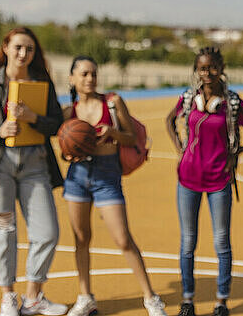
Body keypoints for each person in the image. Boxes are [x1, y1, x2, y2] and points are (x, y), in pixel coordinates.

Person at [0, 27, 67, 316]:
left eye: (29, 49)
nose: (24, 54)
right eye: (18, 47)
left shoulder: (42, 82)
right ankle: (8, 296)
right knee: (4, 231)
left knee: (48, 232)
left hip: (35, 166)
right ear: (6, 47)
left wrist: (33, 118)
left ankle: (33, 297)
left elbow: (57, 123)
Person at [166, 47, 243, 316]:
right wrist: (180, 147)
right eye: (202, 68)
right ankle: (187, 299)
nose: (207, 73)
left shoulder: (232, 103)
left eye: (212, 67)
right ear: (196, 71)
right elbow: (170, 120)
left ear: (221, 68)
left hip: (219, 180)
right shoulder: (189, 98)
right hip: (187, 179)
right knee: (187, 242)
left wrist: (237, 152)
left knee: (221, 242)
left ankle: (221, 301)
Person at [63, 55, 167, 316]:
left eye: (93, 73)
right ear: (72, 78)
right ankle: (85, 296)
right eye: (84, 74)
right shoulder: (68, 112)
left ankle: (151, 298)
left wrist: (112, 133)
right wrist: (68, 152)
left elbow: (131, 136)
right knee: (81, 238)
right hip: (78, 175)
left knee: (123, 239)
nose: (90, 78)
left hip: (107, 176)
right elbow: (64, 146)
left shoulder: (112, 102)